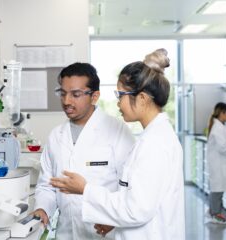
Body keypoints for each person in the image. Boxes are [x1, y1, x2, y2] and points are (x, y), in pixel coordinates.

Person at [49, 49, 185, 239]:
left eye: (120, 95)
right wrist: (112, 219)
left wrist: (85, 189)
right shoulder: (153, 137)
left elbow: (135, 209)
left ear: (142, 98)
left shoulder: (155, 144)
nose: (118, 103)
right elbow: (135, 201)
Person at [32, 63, 135, 239]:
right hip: (66, 233)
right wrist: (42, 209)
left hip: (105, 233)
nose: (66, 101)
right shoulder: (56, 135)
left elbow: (129, 186)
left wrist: (114, 218)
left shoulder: (118, 131)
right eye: (62, 93)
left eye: (75, 94)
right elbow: (47, 185)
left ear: (94, 96)